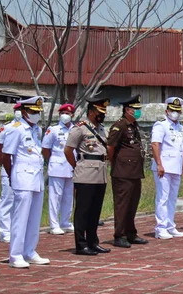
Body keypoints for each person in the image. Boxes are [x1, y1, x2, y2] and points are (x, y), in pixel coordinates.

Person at [2, 96, 50, 268]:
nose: (35, 115)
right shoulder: (16, 129)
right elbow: (7, 156)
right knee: (20, 218)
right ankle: (15, 255)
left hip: (36, 177)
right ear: (23, 112)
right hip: (22, 177)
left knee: (34, 217)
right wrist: (11, 175)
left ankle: (30, 251)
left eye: (37, 112)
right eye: (32, 112)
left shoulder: (36, 130)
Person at [64, 97, 111, 256]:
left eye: (103, 112)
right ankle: (81, 244)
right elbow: (68, 150)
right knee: (83, 211)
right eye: (99, 112)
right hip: (85, 174)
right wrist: (76, 166)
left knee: (95, 211)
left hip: (100, 174)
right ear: (91, 112)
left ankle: (93, 242)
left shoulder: (101, 128)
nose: (102, 115)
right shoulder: (80, 128)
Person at [107, 95, 149, 248]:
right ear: (127, 110)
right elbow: (110, 147)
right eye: (135, 109)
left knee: (132, 204)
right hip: (122, 172)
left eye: (139, 109)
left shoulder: (133, 125)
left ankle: (131, 233)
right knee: (122, 205)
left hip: (134, 172)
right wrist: (115, 163)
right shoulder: (120, 125)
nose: (138, 112)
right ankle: (120, 235)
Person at [151, 97, 183, 239]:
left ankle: (170, 225)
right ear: (167, 111)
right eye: (173, 111)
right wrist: (159, 164)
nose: (175, 113)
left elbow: (181, 148)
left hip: (176, 167)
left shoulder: (180, 127)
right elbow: (155, 144)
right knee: (163, 198)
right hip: (164, 167)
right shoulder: (160, 125)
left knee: (172, 198)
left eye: (178, 111)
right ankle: (160, 228)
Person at [42, 104, 75, 235]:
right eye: (63, 113)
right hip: (57, 166)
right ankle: (54, 224)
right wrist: (51, 161)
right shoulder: (53, 129)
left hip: (71, 166)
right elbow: (45, 148)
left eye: (68, 113)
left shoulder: (75, 129)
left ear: (72, 115)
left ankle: (65, 222)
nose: (65, 115)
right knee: (55, 197)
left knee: (68, 197)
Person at [0, 105, 22, 244]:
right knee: (7, 200)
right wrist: (3, 165)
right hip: (9, 167)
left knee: (20, 202)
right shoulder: (6, 128)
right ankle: (5, 231)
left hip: (23, 170)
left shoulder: (29, 129)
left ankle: (16, 230)